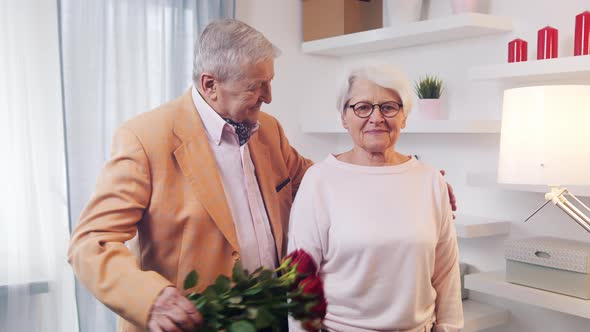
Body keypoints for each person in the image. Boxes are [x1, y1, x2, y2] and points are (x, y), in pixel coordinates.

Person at [68, 19, 457, 332]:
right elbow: (92, 242)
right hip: (196, 322)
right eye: (257, 86)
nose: (269, 96)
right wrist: (150, 298)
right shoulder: (145, 138)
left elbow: (321, 178)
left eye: (270, 82)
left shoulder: (266, 128)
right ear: (210, 84)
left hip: (270, 316)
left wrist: (415, 185)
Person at [288, 65, 464, 332]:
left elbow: (446, 273)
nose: (376, 117)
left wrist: (449, 328)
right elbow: (300, 279)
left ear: (404, 117)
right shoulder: (319, 180)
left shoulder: (431, 181)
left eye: (389, 107)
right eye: (362, 107)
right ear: (344, 117)